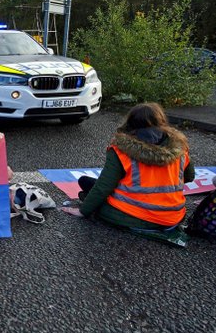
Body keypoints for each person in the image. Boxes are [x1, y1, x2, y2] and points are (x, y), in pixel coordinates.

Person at [75, 103, 194, 247]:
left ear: (130, 122)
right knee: (87, 182)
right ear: (161, 121)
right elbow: (189, 177)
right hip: (173, 216)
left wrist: (82, 211)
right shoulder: (180, 148)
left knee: (91, 193)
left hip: (135, 215)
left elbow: (104, 187)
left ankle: (88, 200)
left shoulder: (121, 150)